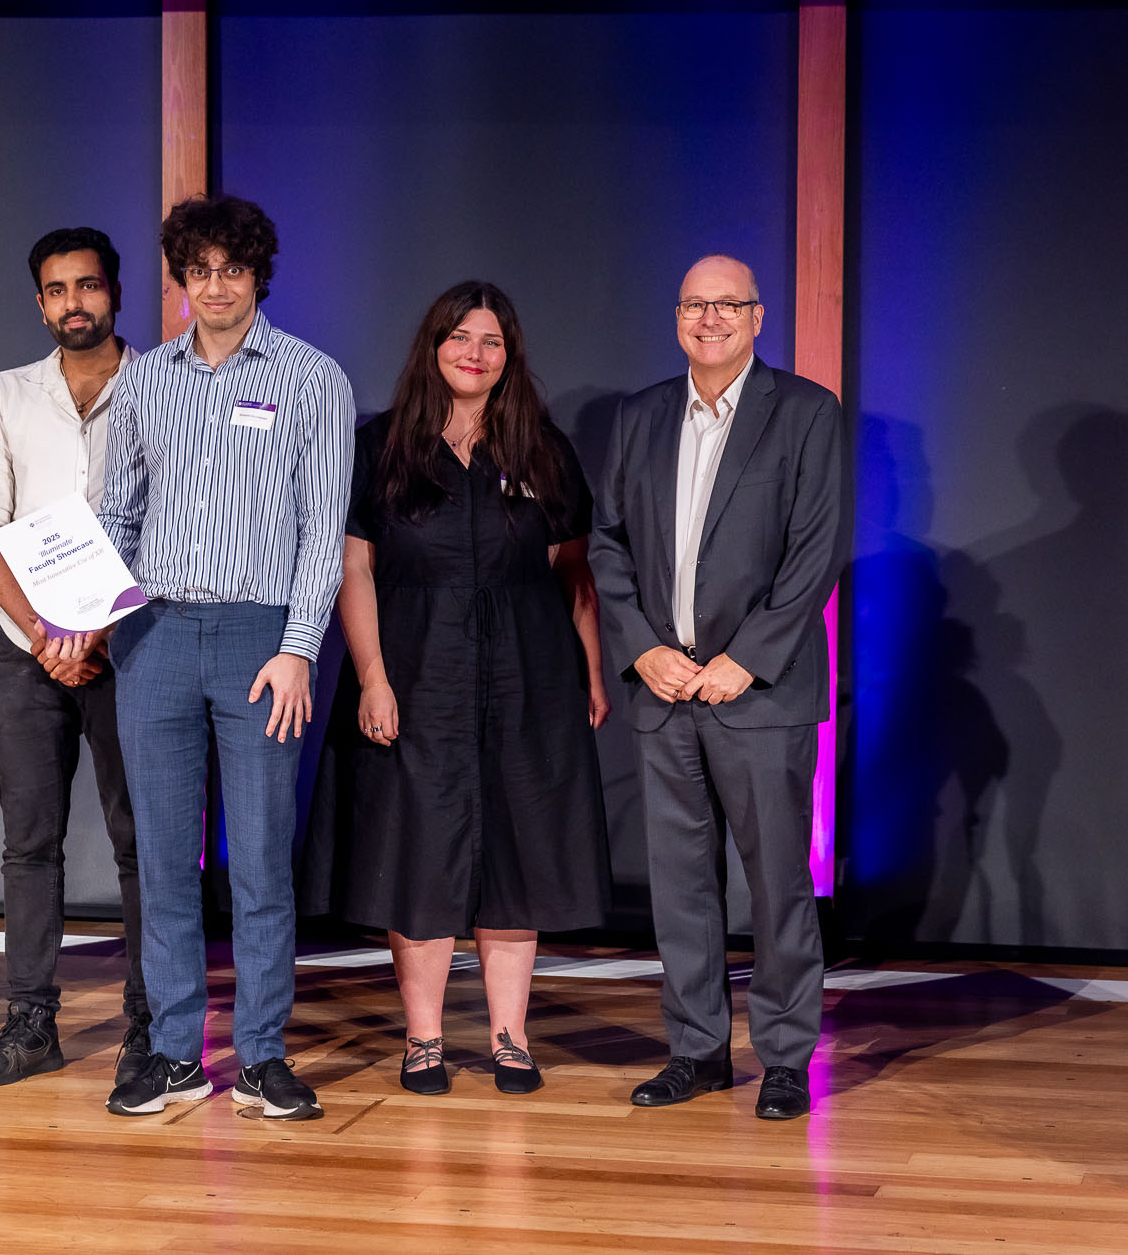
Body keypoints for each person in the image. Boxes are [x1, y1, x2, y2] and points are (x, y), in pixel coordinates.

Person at [311, 281, 611, 1097]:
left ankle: (511, 1037)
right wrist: (372, 677)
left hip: (528, 673)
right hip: (416, 670)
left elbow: (574, 574)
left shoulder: (542, 449)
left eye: (491, 341)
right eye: (460, 337)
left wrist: (589, 670)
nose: (474, 354)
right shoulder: (381, 447)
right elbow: (354, 568)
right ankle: (425, 1040)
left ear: (509, 356)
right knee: (420, 852)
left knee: (518, 849)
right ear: (433, 346)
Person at [93, 194, 353, 1120]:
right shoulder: (145, 381)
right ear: (179, 280)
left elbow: (324, 530)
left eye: (231, 270)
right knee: (164, 859)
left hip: (260, 640)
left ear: (258, 277)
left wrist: (298, 648)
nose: (214, 287)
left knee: (261, 863)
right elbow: (117, 513)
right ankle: (172, 1054)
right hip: (154, 635)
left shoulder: (312, 378)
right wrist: (93, 610)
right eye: (198, 271)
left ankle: (262, 1058)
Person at [588, 254, 848, 1122]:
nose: (710, 319)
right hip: (664, 691)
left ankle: (784, 1057)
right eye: (695, 305)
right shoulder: (641, 416)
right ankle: (696, 1050)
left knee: (777, 884)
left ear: (757, 317)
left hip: (758, 693)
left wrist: (748, 657)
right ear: (676, 317)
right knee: (680, 885)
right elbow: (607, 545)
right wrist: (641, 651)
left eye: (728, 304)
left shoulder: (805, 412)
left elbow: (815, 550)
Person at [0, 226, 149, 1088]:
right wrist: (44, 636)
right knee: (29, 845)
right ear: (41, 304)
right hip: (27, 654)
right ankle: (32, 1021)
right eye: (58, 289)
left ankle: (151, 1022)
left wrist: (94, 634)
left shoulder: (161, 385)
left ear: (115, 293)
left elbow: (172, 521)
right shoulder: (8, 393)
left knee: (145, 844)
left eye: (89, 285)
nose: (75, 302)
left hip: (133, 649)